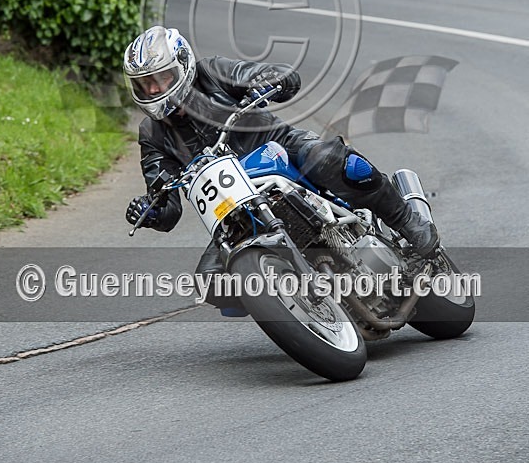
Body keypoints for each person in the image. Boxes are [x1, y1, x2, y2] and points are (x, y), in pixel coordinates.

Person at [124, 26, 439, 309]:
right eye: (143, 84)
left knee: (338, 162)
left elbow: (284, 76)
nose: (152, 90)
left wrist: (265, 83)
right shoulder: (152, 134)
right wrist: (151, 212)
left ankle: (407, 220)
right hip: (233, 204)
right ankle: (293, 299)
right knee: (211, 282)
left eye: (159, 79)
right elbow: (165, 201)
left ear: (181, 65)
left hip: (281, 149)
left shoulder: (213, 72)